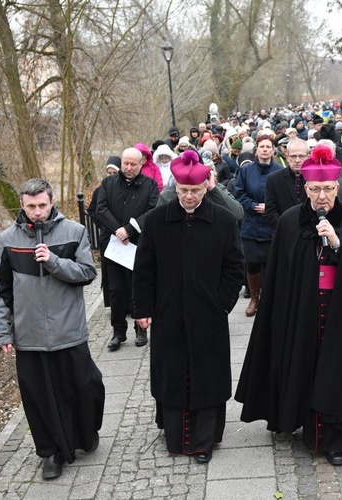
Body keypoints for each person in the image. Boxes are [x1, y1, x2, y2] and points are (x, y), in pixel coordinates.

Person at [235, 144, 342, 466]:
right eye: (315, 189)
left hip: (339, 311)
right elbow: (281, 270)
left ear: (337, 188)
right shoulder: (289, 220)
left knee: (336, 370)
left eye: (328, 189)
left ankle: (335, 436)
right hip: (301, 308)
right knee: (301, 362)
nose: (322, 196)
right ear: (307, 188)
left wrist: (340, 243)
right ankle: (296, 417)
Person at [133, 150, 245, 463]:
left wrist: (220, 304)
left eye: (195, 191)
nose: (189, 197)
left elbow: (235, 266)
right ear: (175, 188)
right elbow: (144, 268)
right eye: (183, 191)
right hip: (168, 314)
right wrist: (143, 308)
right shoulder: (156, 221)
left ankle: (203, 440)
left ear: (206, 187)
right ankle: (175, 435)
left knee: (207, 376)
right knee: (172, 373)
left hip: (208, 315)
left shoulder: (223, 220)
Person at [0, 178, 103, 480]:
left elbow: (86, 273)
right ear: (22, 205)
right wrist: (4, 331)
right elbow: (2, 290)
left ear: (51, 202)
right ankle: (50, 452)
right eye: (31, 207)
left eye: (42, 205)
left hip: (68, 331)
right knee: (40, 398)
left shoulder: (74, 232)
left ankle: (87, 431)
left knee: (85, 386)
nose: (37, 212)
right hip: (29, 337)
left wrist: (54, 261)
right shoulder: (7, 239)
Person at [95, 147, 159, 350]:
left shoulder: (149, 185)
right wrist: (117, 230)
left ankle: (141, 329)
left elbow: (152, 211)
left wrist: (130, 229)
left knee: (138, 286)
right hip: (114, 244)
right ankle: (118, 331)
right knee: (116, 289)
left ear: (141, 164)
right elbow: (100, 208)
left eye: (133, 164)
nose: (128, 168)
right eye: (126, 163)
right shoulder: (108, 183)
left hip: (138, 244)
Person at [234, 135, 283, 316]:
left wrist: (270, 207)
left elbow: (283, 196)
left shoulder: (279, 171)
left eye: (268, 147)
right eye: (261, 146)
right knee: (253, 264)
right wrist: (254, 206)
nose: (264, 150)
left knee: (273, 266)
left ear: (273, 150)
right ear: (257, 150)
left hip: (273, 226)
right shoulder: (246, 172)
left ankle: (271, 301)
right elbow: (239, 194)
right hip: (252, 225)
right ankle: (255, 298)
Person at [87, 156, 121, 306]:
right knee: (110, 271)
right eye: (109, 173)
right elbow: (93, 210)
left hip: (125, 235)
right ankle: (112, 302)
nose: (112, 176)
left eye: (115, 173)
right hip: (108, 235)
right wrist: (105, 224)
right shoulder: (101, 189)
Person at [265, 137, 309, 228]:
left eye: (301, 156)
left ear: (308, 157)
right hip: (284, 233)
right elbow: (271, 211)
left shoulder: (315, 179)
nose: (297, 160)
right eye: (293, 156)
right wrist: (287, 227)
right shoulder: (274, 179)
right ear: (287, 157)